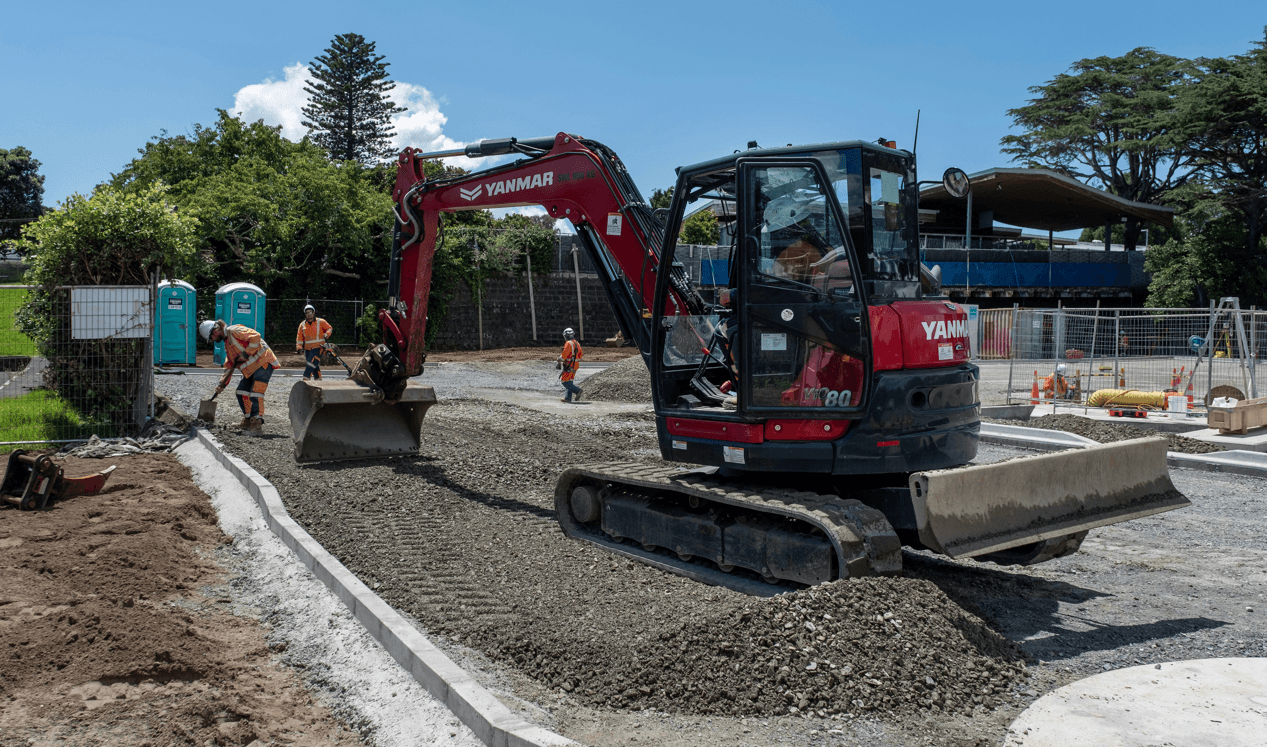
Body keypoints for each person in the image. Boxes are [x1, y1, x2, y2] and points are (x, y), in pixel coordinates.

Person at [199, 319, 279, 435]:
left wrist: (246, 353)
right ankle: (248, 420)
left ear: (215, 331)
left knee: (256, 392)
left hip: (263, 362)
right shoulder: (227, 344)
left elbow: (256, 336)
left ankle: (256, 424)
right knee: (241, 392)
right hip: (252, 369)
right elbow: (229, 365)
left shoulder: (235, 331)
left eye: (211, 338)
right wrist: (222, 384)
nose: (212, 341)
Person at [295, 304, 333, 380]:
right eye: (307, 313)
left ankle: (305, 380)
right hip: (308, 349)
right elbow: (299, 338)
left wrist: (327, 334)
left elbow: (329, 328)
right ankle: (318, 381)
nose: (308, 314)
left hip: (319, 348)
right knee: (314, 365)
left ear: (313, 312)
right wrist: (299, 348)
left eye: (310, 312)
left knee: (310, 364)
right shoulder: (302, 325)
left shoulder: (321, 321)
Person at [557, 327, 583, 403]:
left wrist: (559, 359)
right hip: (575, 366)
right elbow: (580, 354)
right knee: (569, 380)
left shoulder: (568, 343)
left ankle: (577, 391)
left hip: (569, 365)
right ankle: (567, 398)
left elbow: (564, 356)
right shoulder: (577, 343)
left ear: (566, 336)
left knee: (564, 381)